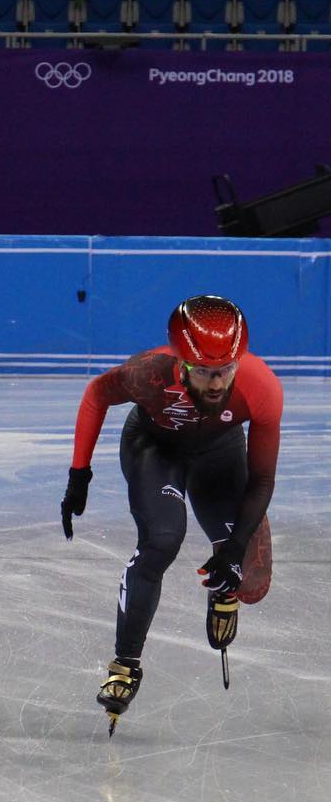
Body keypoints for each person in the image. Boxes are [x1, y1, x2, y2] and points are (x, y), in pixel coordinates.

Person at [61, 295, 283, 734]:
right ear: (182, 364)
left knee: (250, 578)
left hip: (220, 455)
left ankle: (223, 591)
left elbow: (261, 481)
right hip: (155, 447)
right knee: (162, 541)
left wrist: (235, 547)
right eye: (204, 371)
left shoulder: (262, 387)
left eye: (226, 370)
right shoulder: (149, 373)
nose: (217, 383)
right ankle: (125, 664)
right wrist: (79, 474)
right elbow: (96, 394)